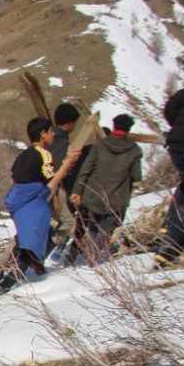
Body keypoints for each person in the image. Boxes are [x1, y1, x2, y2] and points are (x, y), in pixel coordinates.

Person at [0, 116, 81, 292]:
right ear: (42, 134)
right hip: (35, 202)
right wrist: (68, 163)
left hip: (18, 201)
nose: (53, 134)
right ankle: (12, 278)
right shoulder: (44, 154)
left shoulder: (23, 155)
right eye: (50, 131)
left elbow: (15, 178)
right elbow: (51, 183)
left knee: (25, 235)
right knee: (37, 237)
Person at [68, 113, 142, 265]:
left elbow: (85, 170)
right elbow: (137, 176)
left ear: (114, 126)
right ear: (129, 129)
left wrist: (77, 191)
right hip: (116, 200)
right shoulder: (134, 150)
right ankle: (94, 262)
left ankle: (86, 259)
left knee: (92, 228)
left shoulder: (100, 145)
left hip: (93, 196)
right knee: (105, 232)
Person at [154, 84, 184, 268]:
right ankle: (172, 243)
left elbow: (170, 108)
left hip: (176, 145)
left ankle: (168, 227)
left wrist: (178, 127)